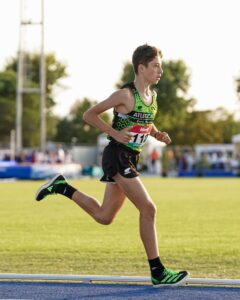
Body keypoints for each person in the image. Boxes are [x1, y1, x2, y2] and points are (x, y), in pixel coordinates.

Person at [35, 44, 189, 287]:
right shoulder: (125, 95)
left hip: (130, 156)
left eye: (161, 66)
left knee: (104, 216)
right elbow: (89, 115)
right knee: (148, 209)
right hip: (117, 155)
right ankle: (157, 271)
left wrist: (157, 134)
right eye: (156, 66)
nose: (161, 70)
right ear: (141, 67)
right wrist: (113, 133)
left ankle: (63, 187)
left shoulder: (153, 97)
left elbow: (145, 122)